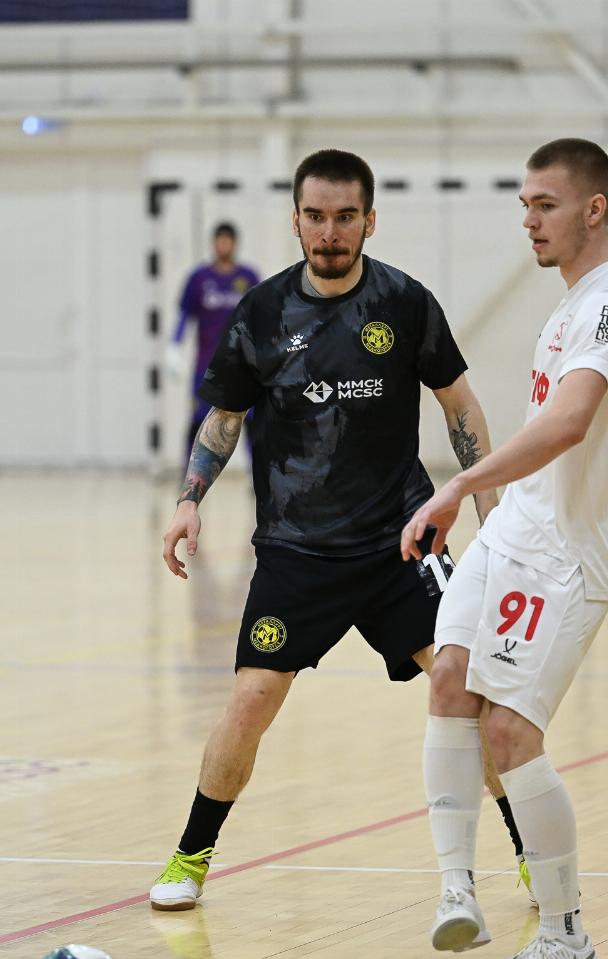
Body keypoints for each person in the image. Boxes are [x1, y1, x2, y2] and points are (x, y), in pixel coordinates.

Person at [150, 148, 510, 913]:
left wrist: (489, 505)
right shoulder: (262, 313)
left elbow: (460, 405)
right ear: (295, 220)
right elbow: (223, 418)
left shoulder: (405, 303)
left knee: (468, 690)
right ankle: (190, 856)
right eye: (315, 216)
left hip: (403, 544)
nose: (330, 232)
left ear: (370, 221)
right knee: (250, 699)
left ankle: (533, 851)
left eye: (346, 217)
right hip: (296, 553)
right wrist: (189, 498)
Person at [401, 137, 608, 959]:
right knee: (449, 678)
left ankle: (566, 939)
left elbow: (569, 423)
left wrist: (461, 485)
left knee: (511, 733)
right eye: (524, 204)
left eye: (545, 205)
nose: (529, 220)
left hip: (562, 556)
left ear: (594, 209)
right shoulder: (579, 304)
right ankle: (457, 890)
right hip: (514, 533)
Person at [169, 222, 260, 463]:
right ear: (213, 243)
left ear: (235, 244)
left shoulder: (248, 277)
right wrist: (175, 347)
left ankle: (257, 476)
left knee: (252, 422)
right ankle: (189, 473)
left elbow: (262, 317)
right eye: (220, 240)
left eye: (228, 241)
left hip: (242, 366)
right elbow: (185, 315)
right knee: (198, 421)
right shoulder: (199, 278)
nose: (224, 246)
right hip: (207, 365)